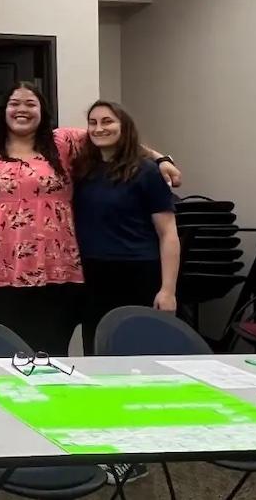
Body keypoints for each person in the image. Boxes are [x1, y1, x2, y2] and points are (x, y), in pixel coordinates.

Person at [0, 82, 181, 354]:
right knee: (0, 347)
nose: (22, 110)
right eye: (15, 104)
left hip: (53, 266)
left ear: (42, 111)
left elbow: (114, 136)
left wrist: (160, 159)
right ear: (5, 110)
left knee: (48, 347)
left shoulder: (63, 143)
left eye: (30, 104)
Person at [73, 101, 179, 355]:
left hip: (138, 273)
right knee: (97, 351)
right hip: (93, 275)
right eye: (93, 122)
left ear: (124, 126)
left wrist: (168, 291)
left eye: (108, 121)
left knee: (138, 353)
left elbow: (168, 234)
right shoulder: (82, 169)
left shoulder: (147, 172)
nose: (99, 128)